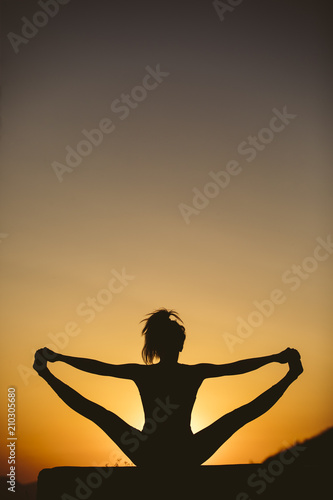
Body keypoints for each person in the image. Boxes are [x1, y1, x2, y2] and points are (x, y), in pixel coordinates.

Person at [33, 308, 303, 467]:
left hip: (147, 452)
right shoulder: (192, 373)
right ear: (180, 345)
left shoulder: (146, 374)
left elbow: (101, 368)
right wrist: (276, 360)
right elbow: (236, 368)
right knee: (238, 416)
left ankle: (45, 376)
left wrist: (58, 360)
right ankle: (291, 377)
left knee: (98, 413)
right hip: (187, 451)